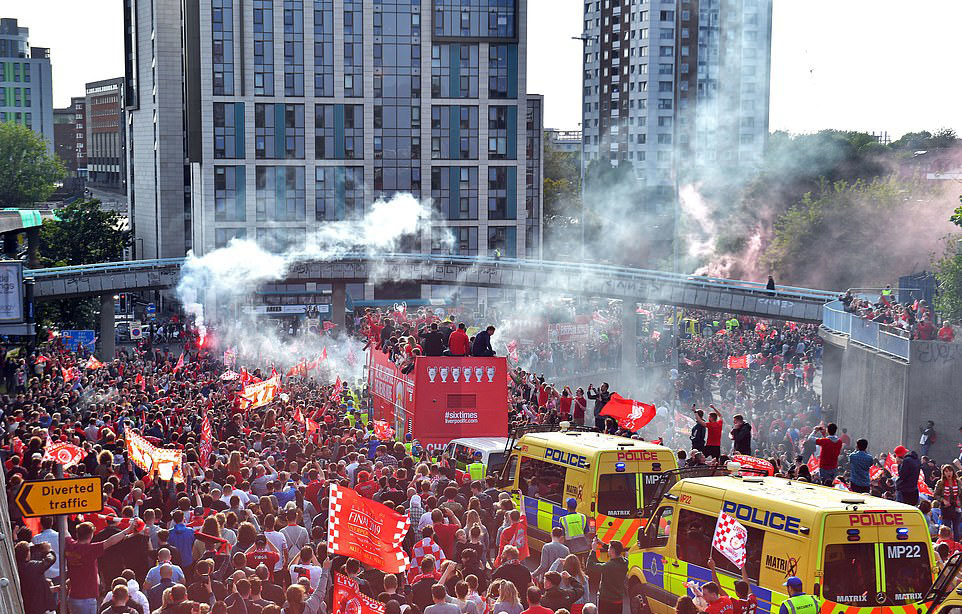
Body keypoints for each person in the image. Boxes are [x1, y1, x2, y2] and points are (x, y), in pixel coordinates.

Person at [65, 521, 138, 614]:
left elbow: (65, 531)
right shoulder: (90, 549)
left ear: (77, 533)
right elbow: (110, 541)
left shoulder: (70, 545)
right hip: (88, 598)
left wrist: (63, 514)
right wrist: (128, 530)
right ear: (91, 535)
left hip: (73, 597)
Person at [587, 538, 628, 614]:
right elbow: (615, 551)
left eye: (609, 548)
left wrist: (593, 550)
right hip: (618, 600)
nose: (608, 549)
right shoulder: (625, 562)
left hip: (606, 601)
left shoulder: (608, 566)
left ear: (612, 550)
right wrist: (602, 543)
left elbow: (590, 566)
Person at [934, 464, 962, 540]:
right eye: (946, 471)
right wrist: (943, 500)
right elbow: (936, 495)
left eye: (950, 471)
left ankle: (956, 544)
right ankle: (947, 544)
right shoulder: (941, 483)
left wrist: (959, 501)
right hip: (946, 508)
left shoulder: (957, 482)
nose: (948, 473)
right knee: (947, 527)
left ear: (953, 472)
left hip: (956, 507)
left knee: (956, 528)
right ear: (944, 473)